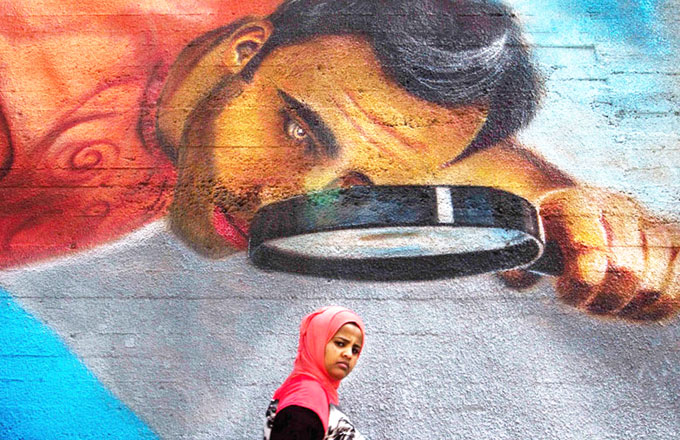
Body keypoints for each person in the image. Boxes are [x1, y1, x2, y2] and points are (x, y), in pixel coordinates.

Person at [156, 0, 680, 321]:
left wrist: (619, 236)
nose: (284, 203)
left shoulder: (396, 135)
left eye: (359, 189)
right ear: (245, 50)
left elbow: (542, 200)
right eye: (298, 132)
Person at [264, 306, 366, 440]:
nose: (348, 354)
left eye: (355, 350)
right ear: (317, 341)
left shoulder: (312, 393)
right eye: (340, 344)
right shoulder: (306, 397)